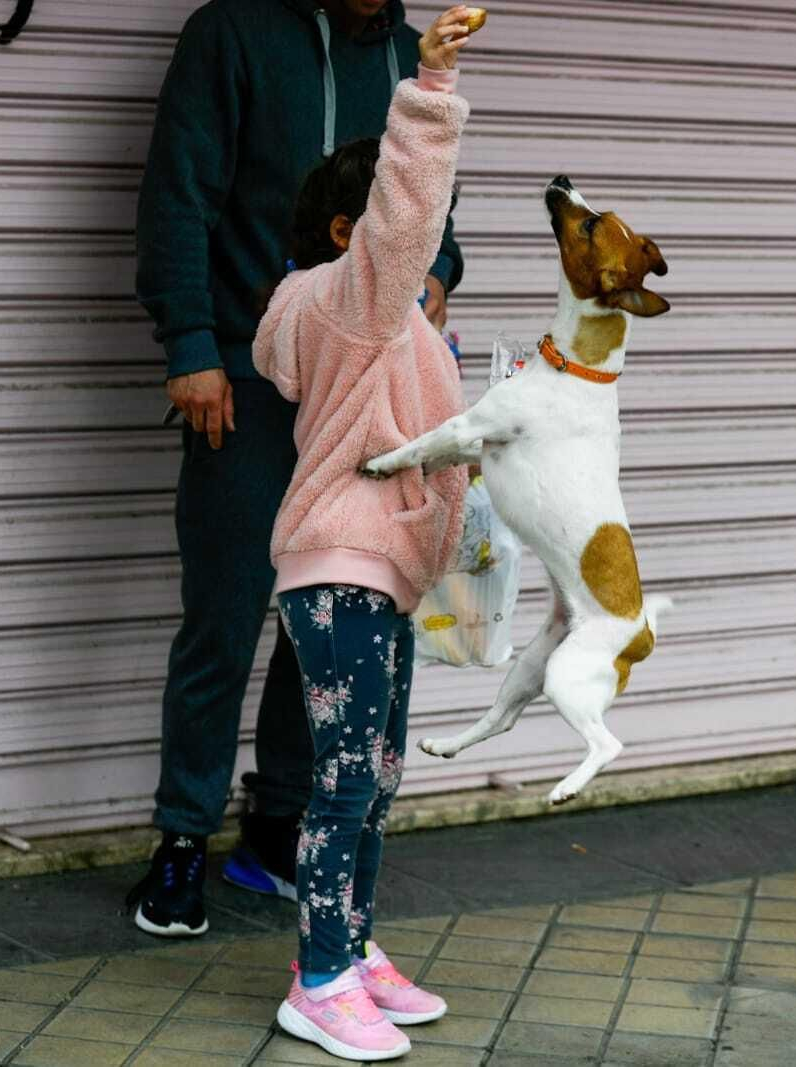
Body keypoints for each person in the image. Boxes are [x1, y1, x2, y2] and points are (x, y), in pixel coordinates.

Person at [127, 0, 464, 938]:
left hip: (357, 393)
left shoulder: (407, 56)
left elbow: (432, 213)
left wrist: (438, 274)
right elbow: (178, 196)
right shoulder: (231, 34)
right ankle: (183, 839)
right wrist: (191, 344)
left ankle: (274, 826)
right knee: (225, 617)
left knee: (330, 606)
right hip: (243, 368)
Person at [251, 7, 476, 1058]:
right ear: (353, 235)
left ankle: (354, 942)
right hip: (340, 562)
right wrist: (426, 89)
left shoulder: (372, 319)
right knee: (345, 775)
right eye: (399, 228)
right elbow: (401, 221)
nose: (424, 240)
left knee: (373, 770)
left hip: (378, 568)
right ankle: (319, 975)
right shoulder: (349, 302)